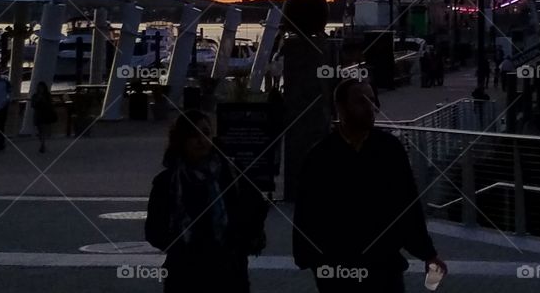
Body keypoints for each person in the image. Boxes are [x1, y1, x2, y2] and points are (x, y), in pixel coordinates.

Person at [293, 79, 447, 292]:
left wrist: (428, 253)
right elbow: (306, 213)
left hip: (384, 267)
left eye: (372, 101)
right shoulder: (320, 157)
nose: (370, 108)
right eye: (361, 101)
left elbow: (407, 206)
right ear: (340, 107)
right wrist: (312, 259)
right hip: (338, 271)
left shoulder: (390, 150)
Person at [145, 110, 268, 293]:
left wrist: (240, 240)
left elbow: (256, 207)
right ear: (182, 140)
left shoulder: (232, 173)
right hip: (186, 273)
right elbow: (155, 229)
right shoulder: (168, 182)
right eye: (193, 135)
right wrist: (180, 246)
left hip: (229, 270)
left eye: (205, 132)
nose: (201, 140)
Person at [31, 81, 57, 153]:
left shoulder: (47, 95)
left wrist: (44, 100)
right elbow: (33, 105)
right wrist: (38, 99)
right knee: (40, 131)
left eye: (41, 88)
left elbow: (50, 104)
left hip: (45, 115)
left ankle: (42, 145)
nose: (40, 89)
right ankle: (42, 143)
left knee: (43, 130)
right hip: (38, 114)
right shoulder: (35, 96)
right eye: (39, 88)